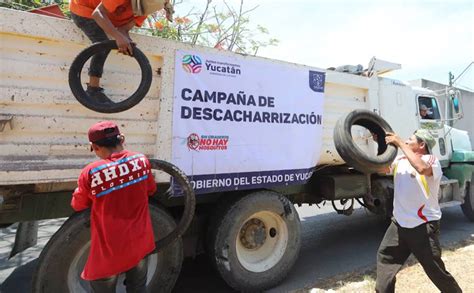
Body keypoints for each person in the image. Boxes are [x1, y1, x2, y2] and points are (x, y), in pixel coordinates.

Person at [71, 121, 157, 293]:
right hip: (139, 246)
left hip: (109, 254)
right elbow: (151, 189)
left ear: (95, 147)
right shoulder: (141, 160)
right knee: (138, 288)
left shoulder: (91, 172)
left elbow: (78, 205)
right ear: (122, 139)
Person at [375, 129, 462, 293]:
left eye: (410, 139)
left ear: (422, 145)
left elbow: (421, 168)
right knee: (385, 258)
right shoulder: (400, 160)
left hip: (422, 225)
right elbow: (382, 168)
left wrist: (399, 142)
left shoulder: (431, 160)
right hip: (399, 224)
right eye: (406, 139)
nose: (406, 141)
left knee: (435, 270)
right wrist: (380, 142)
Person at [70, 0, 174, 101]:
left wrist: (125, 39)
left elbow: (123, 29)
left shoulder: (146, 9)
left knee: (109, 43)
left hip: (107, 17)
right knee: (102, 44)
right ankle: (93, 89)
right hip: (84, 9)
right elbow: (98, 13)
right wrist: (118, 37)